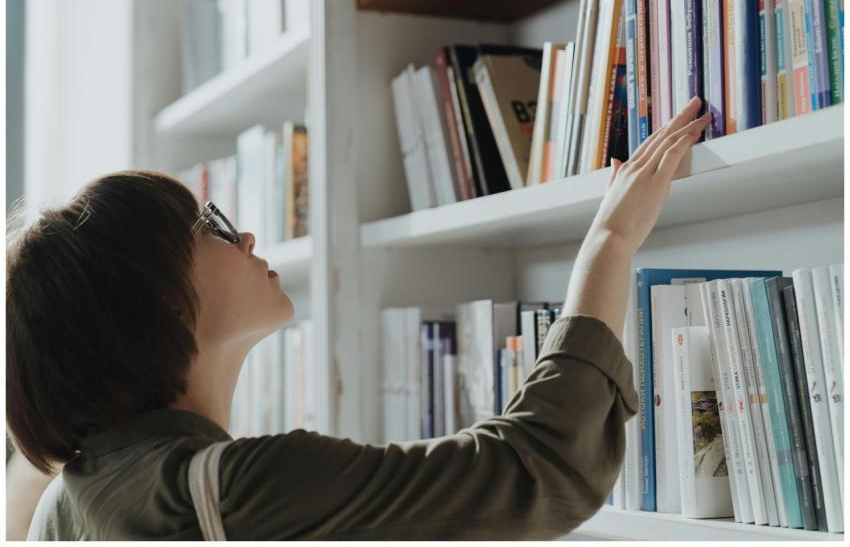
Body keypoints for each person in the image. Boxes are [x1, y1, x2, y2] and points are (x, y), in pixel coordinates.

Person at [8, 97, 712, 540]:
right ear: (157, 299)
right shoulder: (237, 490)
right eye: (211, 227)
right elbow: (536, 472)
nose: (247, 239)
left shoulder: (63, 508)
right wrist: (609, 243)